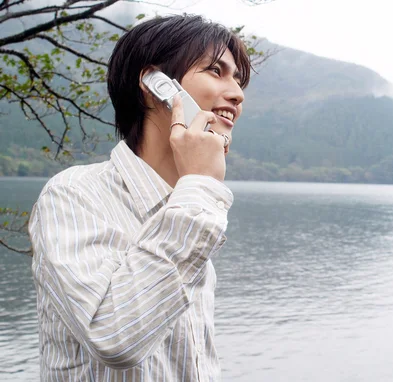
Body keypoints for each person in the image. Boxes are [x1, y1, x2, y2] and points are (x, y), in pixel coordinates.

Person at [28, 14, 250, 381]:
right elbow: (114, 337)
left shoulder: (189, 210)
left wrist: (195, 192)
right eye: (216, 71)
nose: (238, 94)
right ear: (154, 83)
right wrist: (198, 186)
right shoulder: (74, 196)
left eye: (238, 81)